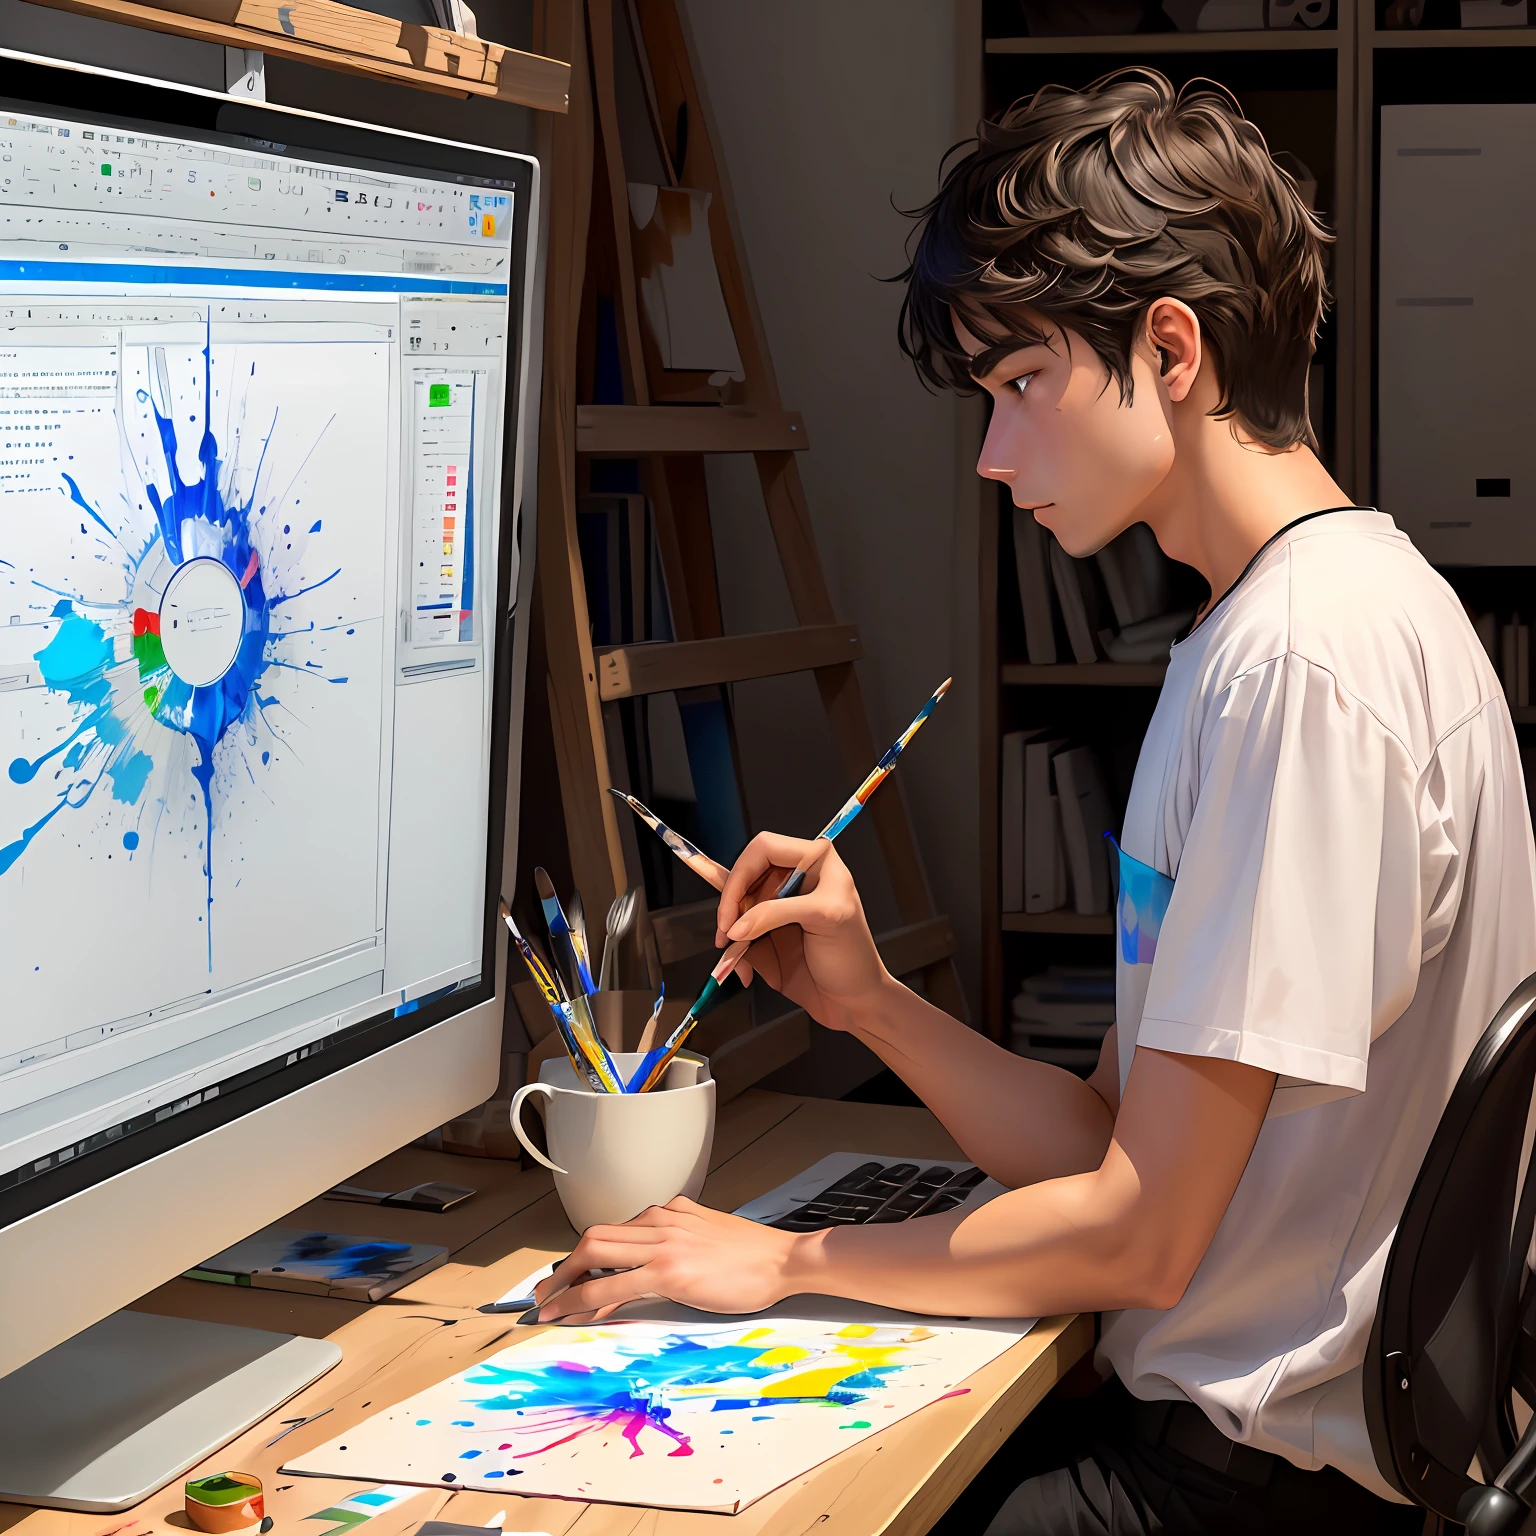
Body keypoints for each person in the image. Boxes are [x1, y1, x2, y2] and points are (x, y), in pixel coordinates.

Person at [532, 68, 1536, 1534]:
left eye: (1021, 387)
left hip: (1250, 1489)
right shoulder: (1288, 622)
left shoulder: (1301, 668)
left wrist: (786, 1266)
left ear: (1171, 348)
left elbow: (1137, 1237)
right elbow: (1111, 1149)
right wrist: (872, 1002)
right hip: (1238, 1445)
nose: (997, 458)